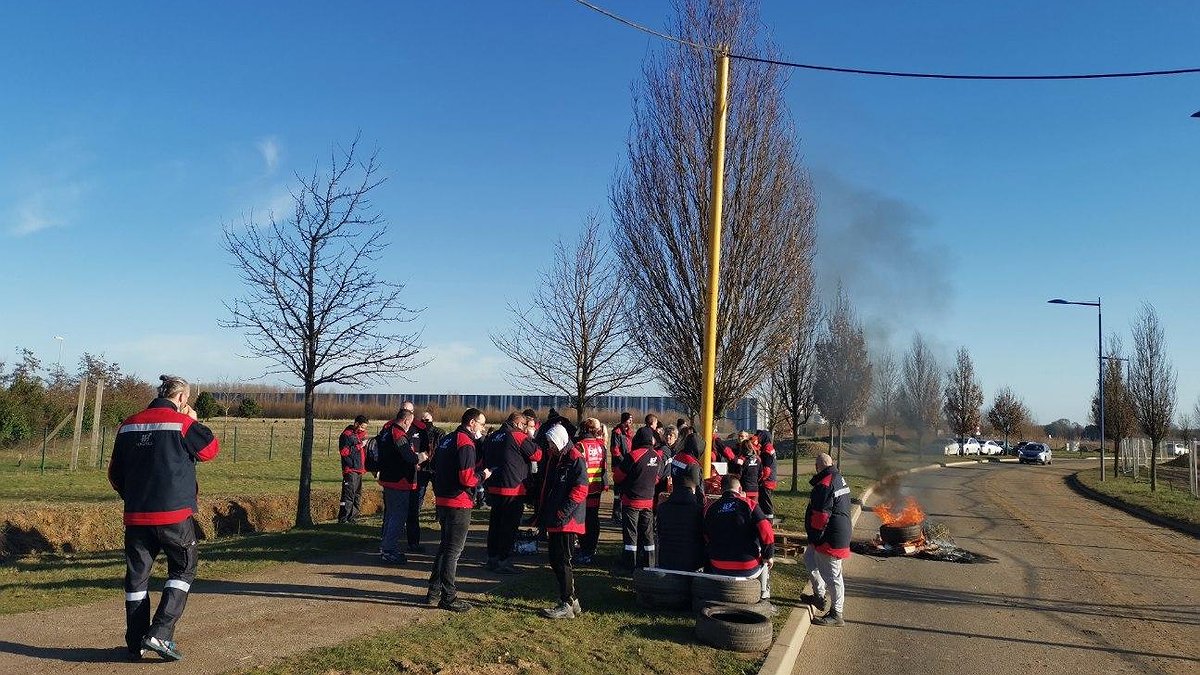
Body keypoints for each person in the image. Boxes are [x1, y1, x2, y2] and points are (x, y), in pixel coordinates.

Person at [108, 375, 219, 661]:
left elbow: (114, 474)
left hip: (136, 515)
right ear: (182, 398)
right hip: (174, 515)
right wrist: (195, 420)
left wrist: (133, 498)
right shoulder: (183, 424)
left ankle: (136, 641)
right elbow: (209, 451)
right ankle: (160, 632)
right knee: (183, 570)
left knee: (137, 578)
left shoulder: (128, 424)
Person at [427, 408, 490, 612]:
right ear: (472, 422)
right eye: (481, 423)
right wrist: (482, 475)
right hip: (458, 501)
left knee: (445, 548)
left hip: (443, 498)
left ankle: (434, 592)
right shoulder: (465, 442)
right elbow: (467, 478)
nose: (482, 427)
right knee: (453, 551)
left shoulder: (448, 439)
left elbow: (435, 465)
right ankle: (449, 596)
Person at [538, 423, 588, 618]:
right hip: (557, 517)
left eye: (551, 443)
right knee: (555, 559)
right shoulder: (556, 458)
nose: (548, 446)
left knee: (562, 560)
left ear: (559, 441)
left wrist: (562, 513)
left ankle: (567, 602)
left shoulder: (575, 458)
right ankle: (571, 600)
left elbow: (580, 489)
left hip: (567, 519)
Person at [484, 412, 541, 574]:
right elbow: (537, 454)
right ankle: (504, 560)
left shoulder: (494, 436)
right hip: (513, 488)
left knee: (495, 524)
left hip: (494, 485)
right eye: (524, 425)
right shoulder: (517, 436)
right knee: (509, 526)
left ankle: (492, 558)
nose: (525, 428)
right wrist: (530, 437)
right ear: (518, 424)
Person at [703, 474, 775, 603]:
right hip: (747, 567)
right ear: (740, 490)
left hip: (717, 566)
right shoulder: (750, 504)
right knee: (761, 548)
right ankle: (764, 591)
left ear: (720, 491)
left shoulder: (710, 508)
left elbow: (706, 536)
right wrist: (768, 555)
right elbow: (766, 531)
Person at [805, 452, 852, 626]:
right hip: (833, 533)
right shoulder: (837, 478)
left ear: (818, 467)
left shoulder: (825, 484)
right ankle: (819, 596)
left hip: (829, 537)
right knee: (809, 560)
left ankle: (836, 613)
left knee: (833, 576)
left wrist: (816, 537)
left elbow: (821, 515)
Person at [377, 408, 427, 564]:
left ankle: (385, 547)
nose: (410, 426)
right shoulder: (398, 434)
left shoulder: (386, 432)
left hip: (388, 479)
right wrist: (421, 457)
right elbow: (408, 456)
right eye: (410, 423)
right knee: (398, 517)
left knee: (391, 516)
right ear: (406, 420)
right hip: (399, 481)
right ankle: (389, 550)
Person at [613, 426, 663, 570]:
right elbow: (657, 478)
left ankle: (629, 564)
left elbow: (618, 477)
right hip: (648, 501)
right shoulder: (657, 456)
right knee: (648, 534)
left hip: (631, 500)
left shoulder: (633, 455)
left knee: (631, 535)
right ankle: (650, 563)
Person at [573, 417, 608, 564]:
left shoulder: (579, 445)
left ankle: (585, 550)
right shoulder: (601, 446)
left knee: (583, 520)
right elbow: (604, 468)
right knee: (593, 520)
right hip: (596, 489)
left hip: (583, 489)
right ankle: (591, 548)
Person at [655, 473, 705, 572]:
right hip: (692, 562)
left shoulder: (662, 508)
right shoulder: (699, 510)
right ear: (693, 490)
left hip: (666, 561)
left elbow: (659, 533)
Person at [337, 415, 369, 523]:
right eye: (362, 427)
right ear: (356, 424)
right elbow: (344, 452)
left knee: (357, 495)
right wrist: (359, 446)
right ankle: (344, 518)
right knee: (348, 495)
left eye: (364, 428)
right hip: (350, 469)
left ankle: (352, 518)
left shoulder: (358, 436)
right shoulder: (346, 435)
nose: (363, 430)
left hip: (359, 470)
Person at [416, 411, 443, 517]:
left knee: (438, 492)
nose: (424, 422)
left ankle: (439, 515)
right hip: (422, 467)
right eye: (422, 420)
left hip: (435, 467)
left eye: (426, 420)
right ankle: (416, 514)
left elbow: (441, 450)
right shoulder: (417, 432)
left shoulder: (439, 432)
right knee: (419, 492)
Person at [609, 412, 633, 523]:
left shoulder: (629, 432)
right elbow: (615, 450)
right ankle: (616, 513)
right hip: (619, 465)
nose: (631, 422)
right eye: (629, 420)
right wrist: (623, 461)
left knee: (625, 490)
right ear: (625, 420)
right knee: (618, 492)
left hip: (627, 464)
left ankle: (622, 512)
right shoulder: (617, 432)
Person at [669, 431, 704, 504]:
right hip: (689, 501)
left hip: (675, 497)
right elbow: (697, 487)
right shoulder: (692, 464)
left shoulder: (677, 457)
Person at [756, 430, 778, 520]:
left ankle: (768, 520)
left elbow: (767, 468)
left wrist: (760, 479)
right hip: (770, 479)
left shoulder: (767, 449)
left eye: (759, 437)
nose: (758, 438)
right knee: (765, 501)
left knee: (765, 502)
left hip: (767, 481)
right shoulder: (769, 447)